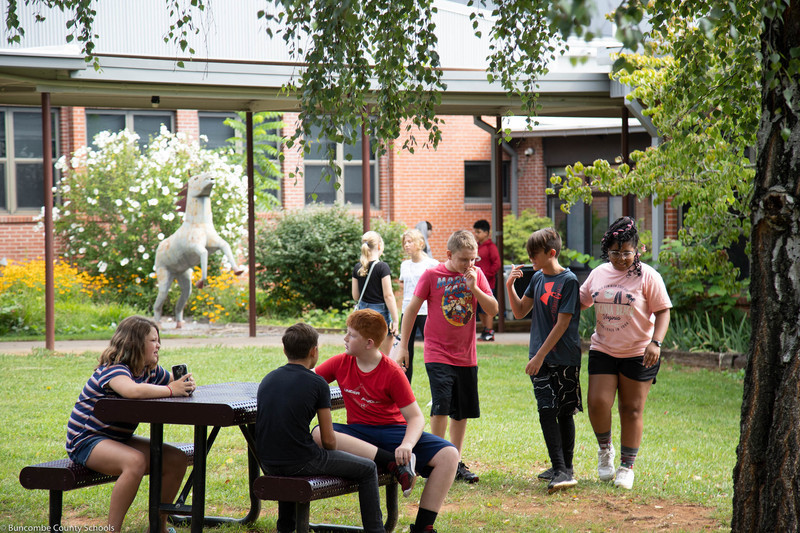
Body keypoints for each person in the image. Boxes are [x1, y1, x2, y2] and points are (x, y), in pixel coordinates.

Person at [314, 309, 459, 533]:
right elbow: (310, 379)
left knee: (449, 455)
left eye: (351, 335)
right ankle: (394, 463)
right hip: (358, 434)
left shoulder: (392, 372)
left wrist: (407, 445)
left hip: (393, 432)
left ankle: (423, 528)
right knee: (317, 433)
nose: (345, 338)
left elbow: (416, 418)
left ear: (369, 343)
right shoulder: (340, 362)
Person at [65, 315, 195, 532]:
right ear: (135, 344)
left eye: (158, 340)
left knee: (176, 459)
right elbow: (131, 390)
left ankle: (158, 526)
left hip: (117, 439)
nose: (158, 345)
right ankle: (112, 529)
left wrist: (184, 383)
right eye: (153, 341)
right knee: (134, 461)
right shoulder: (115, 368)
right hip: (86, 440)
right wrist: (172, 390)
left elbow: (172, 380)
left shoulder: (148, 370)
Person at [256, 323, 385, 533]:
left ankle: (286, 527)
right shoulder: (317, 384)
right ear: (313, 351)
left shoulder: (268, 379)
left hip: (268, 462)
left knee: (289, 456)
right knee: (368, 469)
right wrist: (339, 456)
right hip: (301, 461)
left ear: (284, 350)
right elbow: (328, 440)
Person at [394, 229, 498, 484]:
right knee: (441, 405)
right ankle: (433, 460)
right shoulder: (432, 274)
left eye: (473, 259)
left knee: (461, 411)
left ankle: (455, 461)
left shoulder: (476, 275)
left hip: (466, 355)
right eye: (464, 260)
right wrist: (403, 347)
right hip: (437, 352)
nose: (469, 264)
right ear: (449, 254)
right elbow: (410, 310)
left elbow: (492, 309)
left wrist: (474, 288)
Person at [579, 216, 672, 490]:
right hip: (604, 349)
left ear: (637, 251)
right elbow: (580, 301)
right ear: (607, 250)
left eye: (627, 253)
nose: (621, 258)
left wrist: (656, 343)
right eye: (615, 252)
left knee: (631, 410)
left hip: (639, 353)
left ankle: (626, 466)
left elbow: (663, 311)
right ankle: (605, 450)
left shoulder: (648, 276)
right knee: (597, 402)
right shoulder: (598, 274)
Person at [506, 228, 582, 493]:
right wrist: (509, 286)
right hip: (539, 358)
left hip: (564, 357)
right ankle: (558, 466)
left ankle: (565, 468)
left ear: (551, 253)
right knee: (546, 410)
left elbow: (562, 324)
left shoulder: (569, 281)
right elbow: (518, 312)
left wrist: (539, 355)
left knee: (564, 411)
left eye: (534, 254)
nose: (530, 259)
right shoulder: (537, 278)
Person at [398, 228, 439, 383]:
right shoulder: (404, 265)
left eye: (410, 242)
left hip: (426, 312)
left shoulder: (432, 264)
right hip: (407, 312)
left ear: (420, 243)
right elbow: (404, 289)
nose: (406, 245)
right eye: (405, 242)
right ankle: (405, 388)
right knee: (405, 351)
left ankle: (436, 385)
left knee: (432, 350)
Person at [353, 230, 399, 354]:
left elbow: (356, 296)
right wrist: (395, 320)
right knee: (383, 356)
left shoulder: (358, 267)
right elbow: (388, 295)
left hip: (362, 311)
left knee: (366, 351)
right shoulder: (382, 267)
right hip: (380, 313)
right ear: (379, 246)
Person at [472, 219, 501, 341]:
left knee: (487, 309)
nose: (476, 235)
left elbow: (497, 263)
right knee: (479, 309)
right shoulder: (476, 246)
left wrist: (487, 275)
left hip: (488, 283)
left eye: (478, 232)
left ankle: (490, 332)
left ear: (486, 233)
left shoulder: (491, 247)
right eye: (475, 232)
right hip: (476, 284)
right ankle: (485, 330)